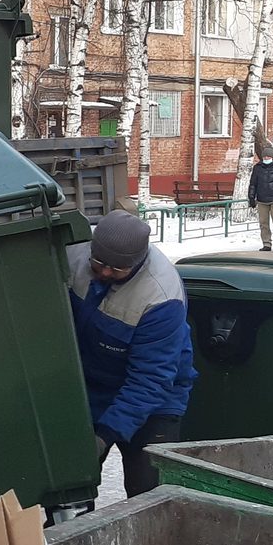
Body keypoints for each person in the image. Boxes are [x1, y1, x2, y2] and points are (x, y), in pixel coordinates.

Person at [68, 210, 198, 499]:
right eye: (98, 263)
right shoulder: (73, 252)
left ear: (137, 262)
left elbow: (150, 381)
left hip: (154, 400)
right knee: (71, 489)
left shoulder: (161, 297)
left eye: (116, 270)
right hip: (89, 387)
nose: (104, 273)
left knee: (147, 495)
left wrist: (103, 438)